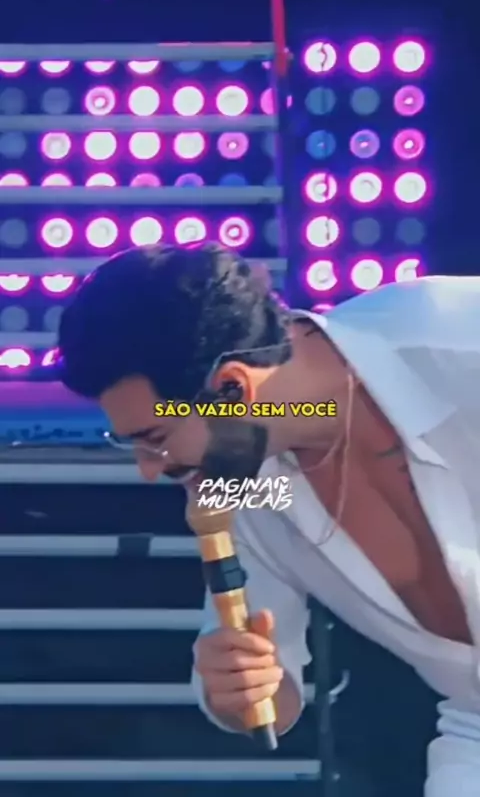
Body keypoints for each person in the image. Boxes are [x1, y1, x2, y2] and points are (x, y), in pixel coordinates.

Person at [58, 242, 480, 797]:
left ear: (232, 388)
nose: (148, 469)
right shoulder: (244, 490)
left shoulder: (459, 338)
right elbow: (273, 702)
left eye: (154, 438)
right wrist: (242, 690)